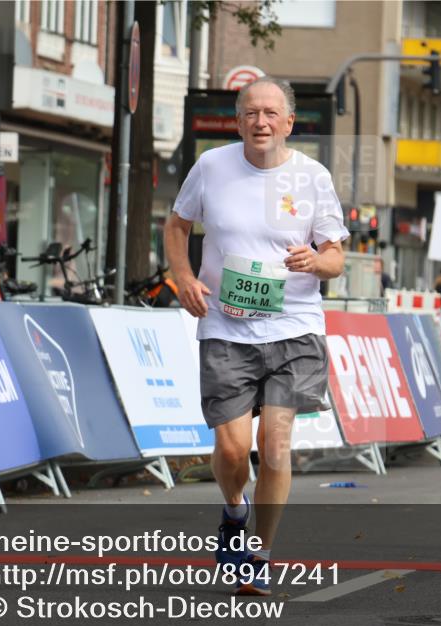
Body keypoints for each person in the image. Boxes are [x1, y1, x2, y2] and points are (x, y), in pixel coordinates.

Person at [164, 77, 347, 596]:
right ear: (238, 120)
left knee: (274, 447)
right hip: (226, 325)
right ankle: (233, 510)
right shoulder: (212, 167)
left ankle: (259, 555)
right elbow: (176, 226)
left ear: (289, 122)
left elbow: (336, 256)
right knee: (231, 449)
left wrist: (318, 259)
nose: (261, 122)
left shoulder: (312, 177)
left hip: (294, 327)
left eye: (271, 113)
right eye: (251, 113)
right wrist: (183, 276)